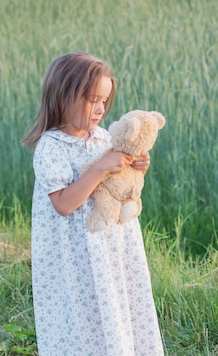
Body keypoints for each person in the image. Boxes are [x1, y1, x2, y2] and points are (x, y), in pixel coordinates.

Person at [21, 52, 164, 355]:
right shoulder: (52, 147)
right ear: (64, 97)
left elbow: (118, 187)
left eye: (104, 101)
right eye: (91, 100)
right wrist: (101, 168)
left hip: (111, 249)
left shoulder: (103, 138)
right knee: (83, 318)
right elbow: (63, 204)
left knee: (115, 308)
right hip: (75, 257)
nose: (100, 109)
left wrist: (137, 167)